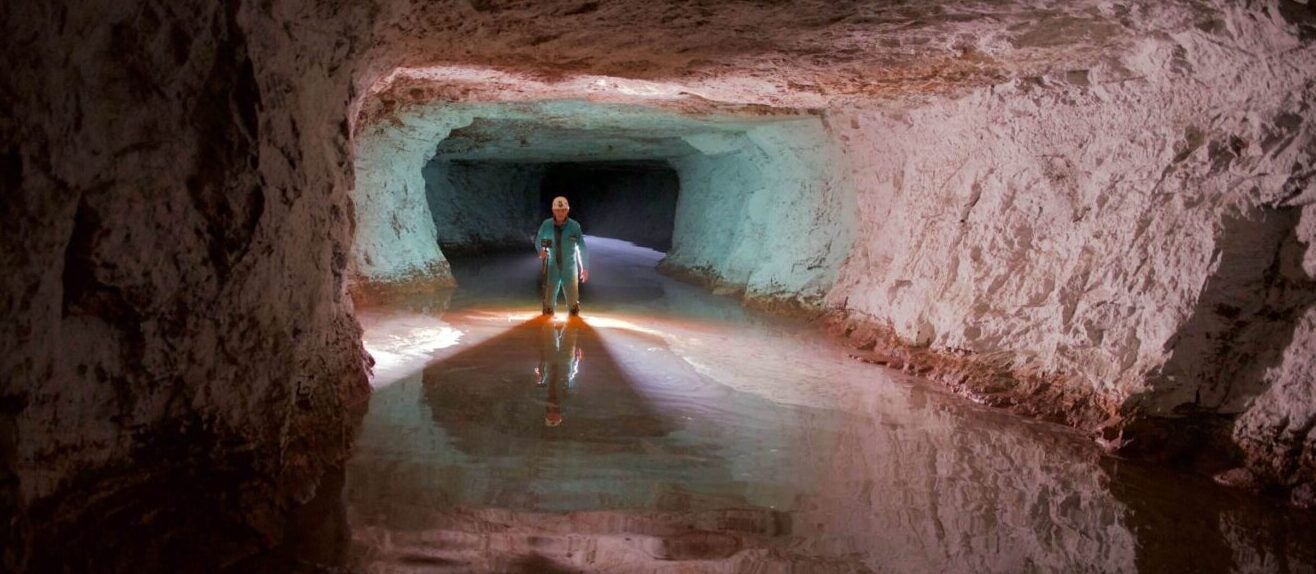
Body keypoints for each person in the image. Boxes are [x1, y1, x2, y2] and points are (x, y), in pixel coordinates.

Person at [536, 196, 589, 315]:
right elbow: (539, 239)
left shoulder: (574, 226)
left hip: (569, 268)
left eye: (563, 210)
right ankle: (547, 330)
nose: (560, 213)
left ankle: (573, 328)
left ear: (567, 210)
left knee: (573, 308)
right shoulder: (546, 225)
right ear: (553, 211)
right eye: (558, 210)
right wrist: (540, 250)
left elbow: (582, 247)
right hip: (552, 267)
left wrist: (584, 268)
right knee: (547, 308)